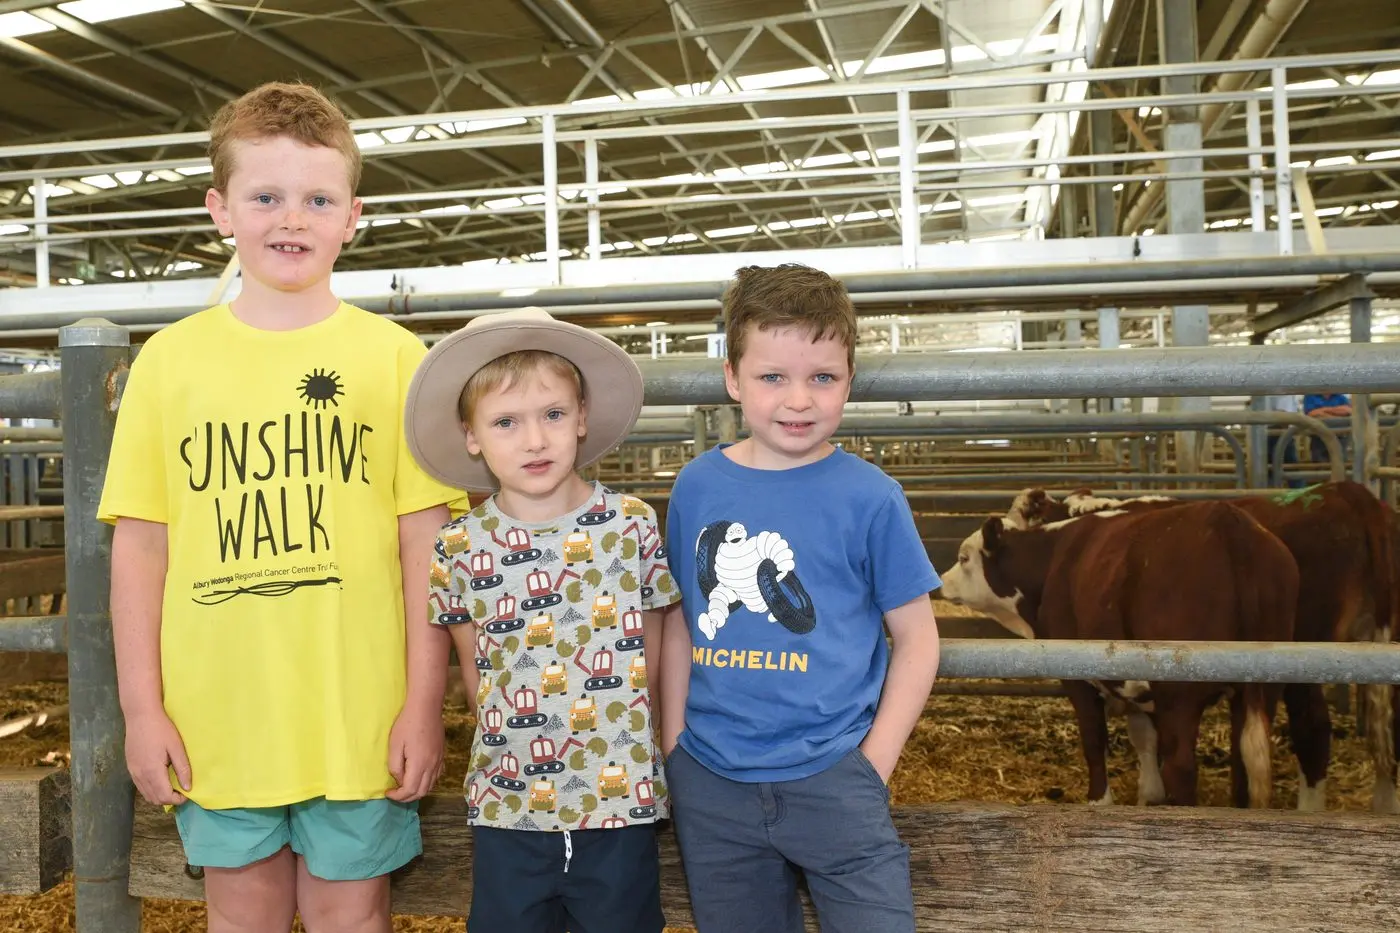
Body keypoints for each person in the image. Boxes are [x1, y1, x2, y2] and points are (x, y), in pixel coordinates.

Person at [98, 81, 466, 933]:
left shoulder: (397, 360)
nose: (290, 218)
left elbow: (428, 548)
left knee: (351, 913)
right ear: (220, 209)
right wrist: (143, 710)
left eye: (317, 198)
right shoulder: (168, 363)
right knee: (242, 912)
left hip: (360, 715)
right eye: (265, 196)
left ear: (352, 214)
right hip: (217, 714)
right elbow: (140, 551)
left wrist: (424, 702)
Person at [659, 263, 943, 933]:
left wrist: (873, 764)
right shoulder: (697, 488)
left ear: (849, 379)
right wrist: (673, 740)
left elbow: (920, 638)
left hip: (835, 772)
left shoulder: (872, 498)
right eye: (772, 377)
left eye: (822, 377)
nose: (798, 400)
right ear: (732, 377)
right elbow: (680, 619)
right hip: (712, 772)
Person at [402, 306, 681, 933]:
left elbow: (654, 644)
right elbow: (474, 665)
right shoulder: (459, 545)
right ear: (472, 435)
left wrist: (657, 744)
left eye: (553, 414)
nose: (535, 440)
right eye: (506, 422)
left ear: (581, 418)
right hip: (509, 800)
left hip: (619, 795)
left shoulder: (630, 524)